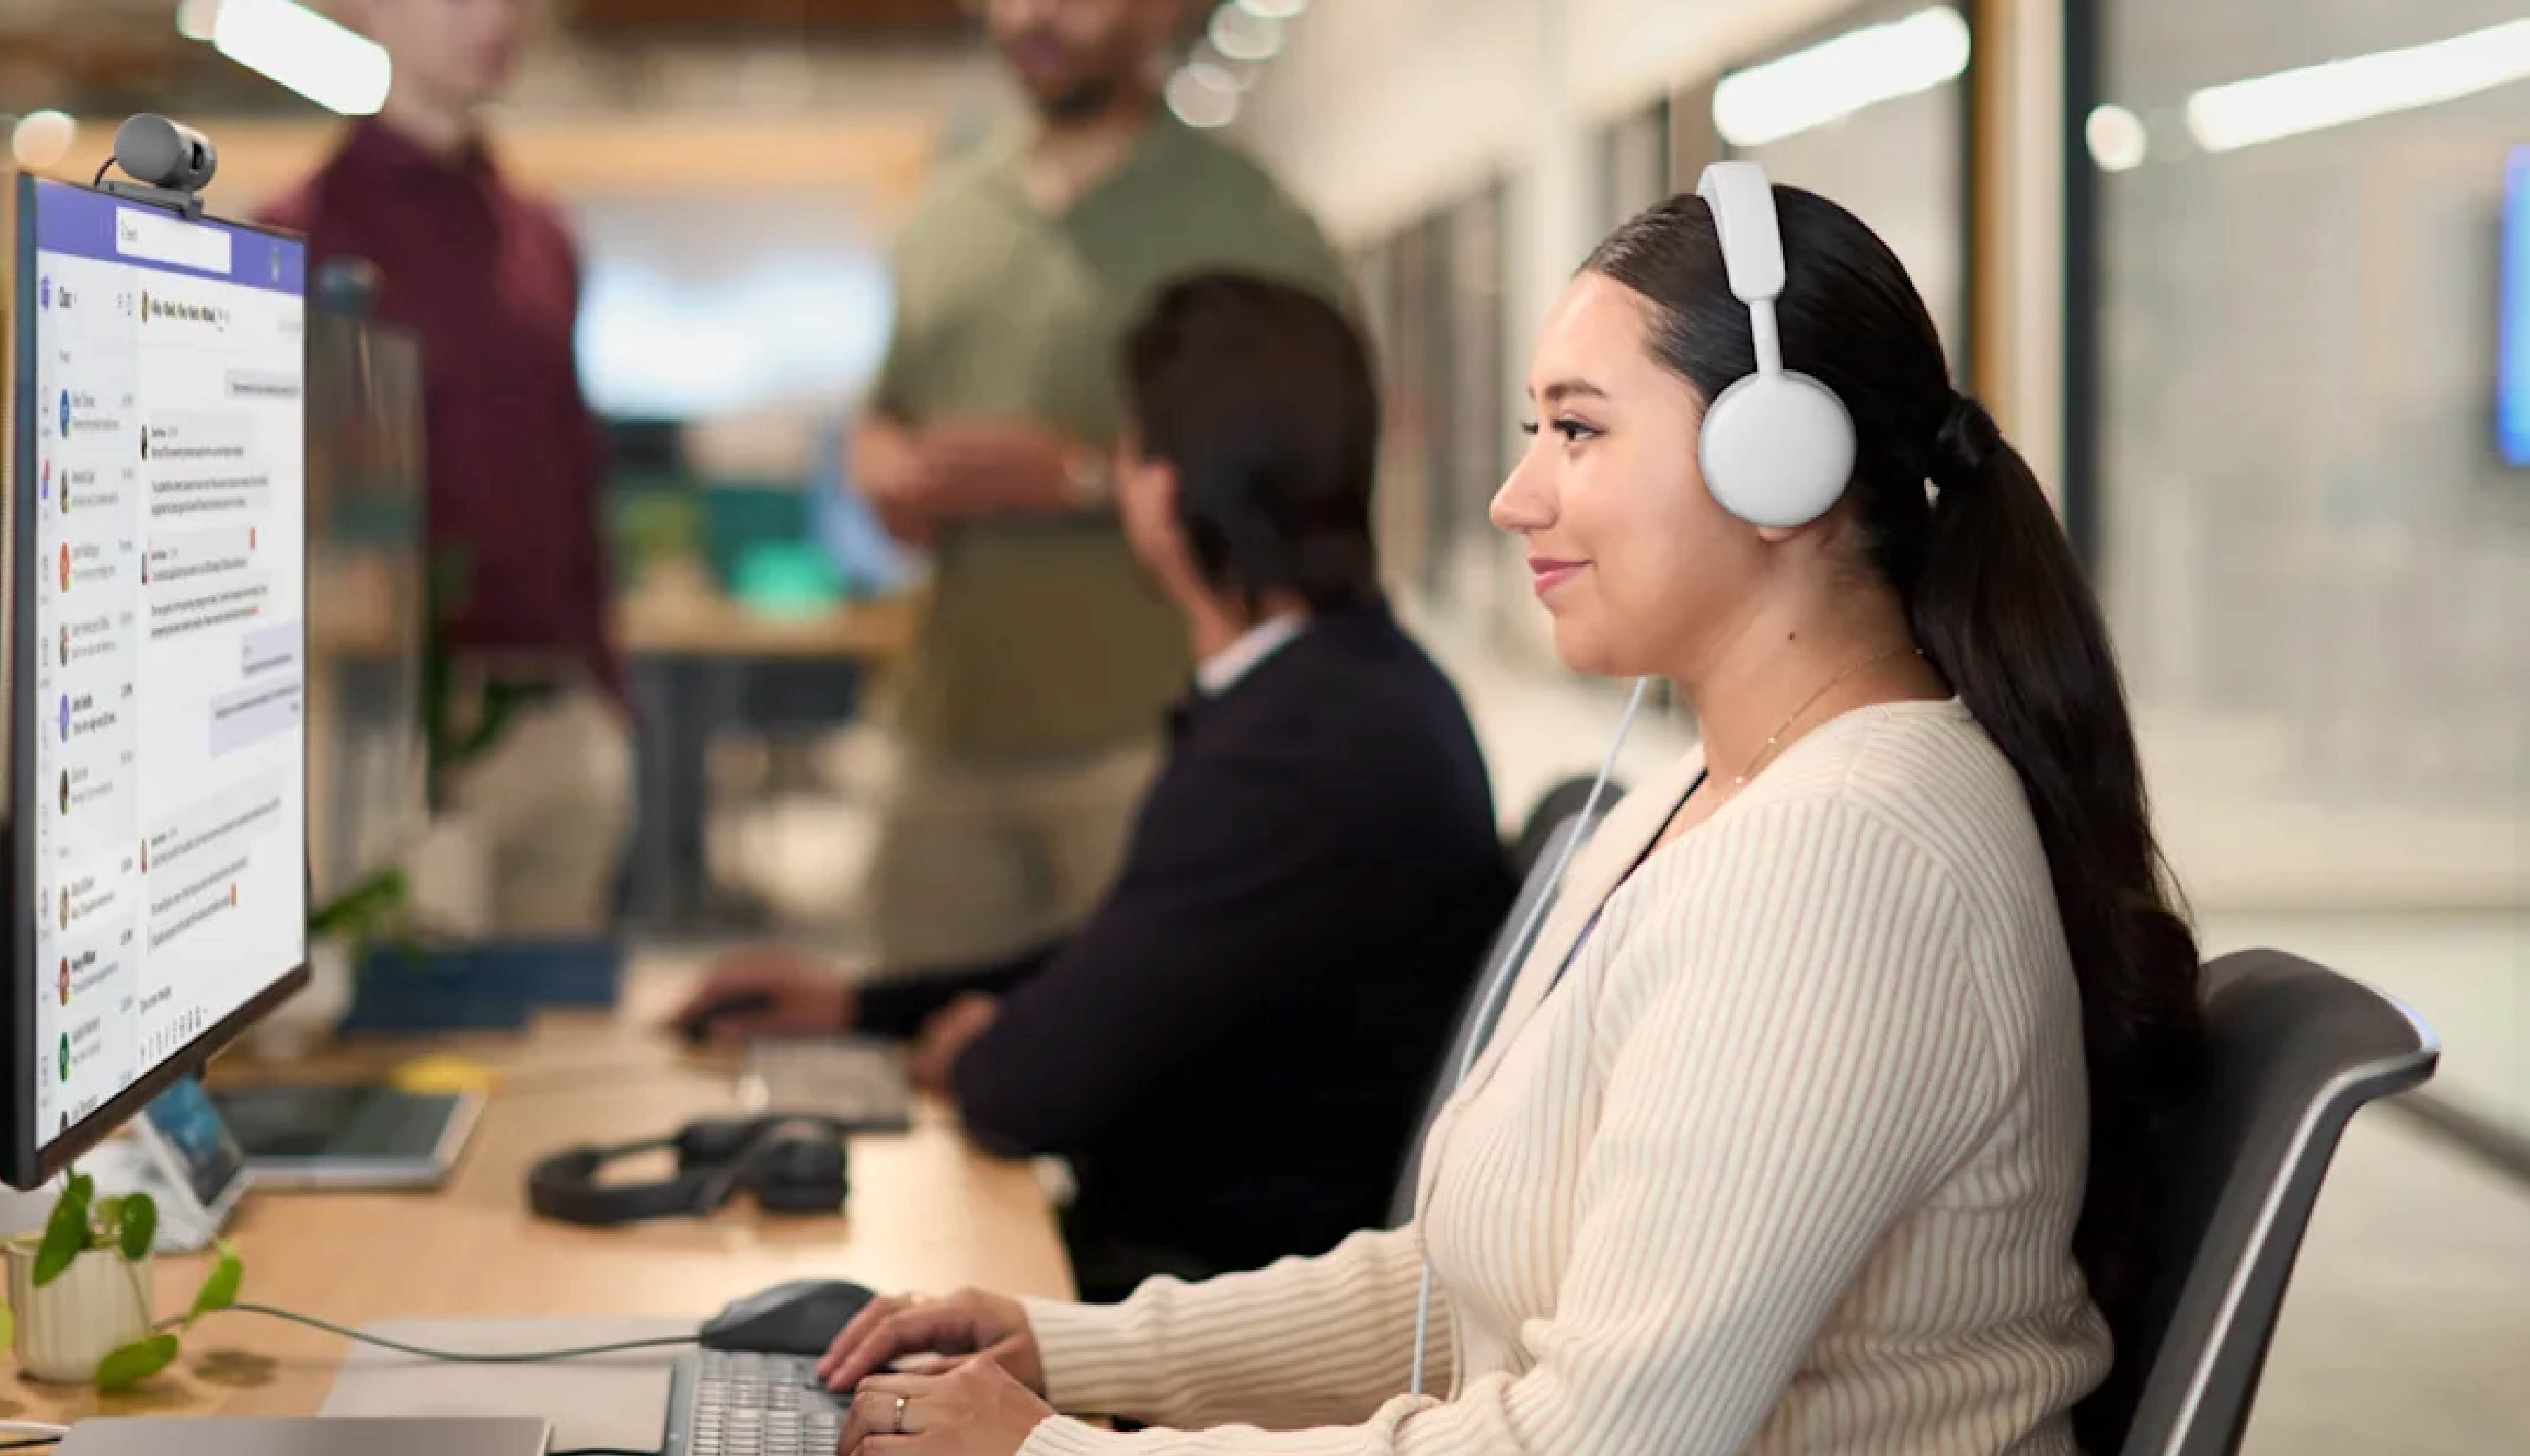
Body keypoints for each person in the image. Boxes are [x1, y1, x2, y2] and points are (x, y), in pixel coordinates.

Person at [805, 173, 2209, 1456]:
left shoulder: (1843, 861)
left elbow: (1589, 1445)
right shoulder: (1694, 795)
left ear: (1779, 464)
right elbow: (1462, 1288)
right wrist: (1068, 1344)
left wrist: (1055, 1455)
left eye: (1578, 431)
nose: (1512, 495)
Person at [680, 275, 1511, 1302]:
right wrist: (865, 1005)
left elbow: (1027, 1092)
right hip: (1223, 1264)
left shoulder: (1296, 749)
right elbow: (1118, 963)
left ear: (1159, 493)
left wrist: (990, 1051)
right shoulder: (1350, 691)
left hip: (1208, 1299)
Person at [852, 0, 1351, 972]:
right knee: (914, 1065)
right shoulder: (941, 218)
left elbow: (1312, 462)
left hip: (1155, 738)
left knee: (1143, 1089)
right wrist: (885, 468)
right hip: (946, 732)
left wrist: (1085, 477)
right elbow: (885, 415)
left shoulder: (1253, 221)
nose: (1033, 15)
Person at [258, 0, 633, 938]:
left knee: (558, 1061)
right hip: (399, 736)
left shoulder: (541, 237)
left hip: (560, 719)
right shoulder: (294, 239)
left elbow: (570, 474)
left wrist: (608, 696)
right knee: (419, 1062)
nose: (493, 16)